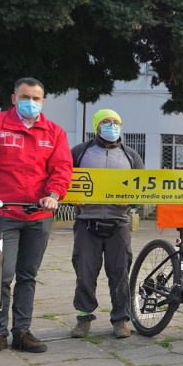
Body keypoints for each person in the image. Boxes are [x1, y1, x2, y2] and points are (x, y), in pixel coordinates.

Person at [0, 77, 73, 353]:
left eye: (36, 98)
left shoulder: (53, 132)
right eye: (25, 97)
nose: (30, 103)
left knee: (28, 275)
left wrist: (53, 195)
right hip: (3, 212)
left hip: (38, 214)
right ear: (13, 98)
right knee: (2, 275)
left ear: (43, 101)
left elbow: (62, 168)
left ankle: (22, 332)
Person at [69, 109, 145, 340]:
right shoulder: (80, 152)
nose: (111, 126)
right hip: (86, 222)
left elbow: (141, 188)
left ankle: (120, 320)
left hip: (119, 223)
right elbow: (62, 178)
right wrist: (70, 197)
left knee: (120, 271)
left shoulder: (131, 156)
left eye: (116, 122)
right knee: (85, 271)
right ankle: (83, 318)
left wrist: (132, 201)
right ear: (96, 125)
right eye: (106, 122)